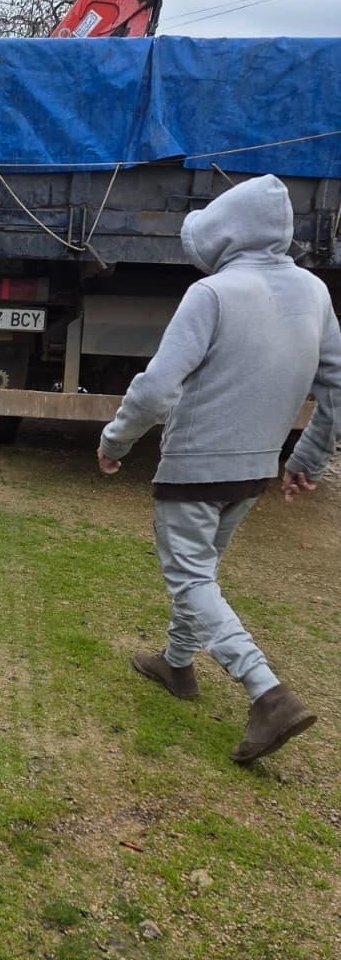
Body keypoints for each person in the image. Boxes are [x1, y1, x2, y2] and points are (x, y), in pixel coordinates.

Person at [97, 174, 341, 764]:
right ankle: (178, 665)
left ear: (224, 231)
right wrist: (305, 457)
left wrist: (116, 441)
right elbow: (336, 389)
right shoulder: (315, 294)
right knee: (201, 571)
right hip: (255, 470)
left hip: (194, 467)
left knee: (191, 578)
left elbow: (156, 390)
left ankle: (267, 693)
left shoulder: (211, 294)